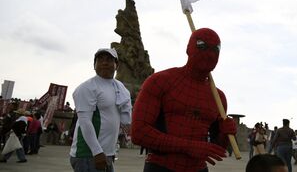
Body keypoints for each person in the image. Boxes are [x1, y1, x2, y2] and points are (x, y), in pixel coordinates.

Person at [131, 28, 237, 172]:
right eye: (202, 46)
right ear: (188, 48)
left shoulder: (219, 97)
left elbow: (216, 149)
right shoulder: (160, 81)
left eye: (216, 49)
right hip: (161, 166)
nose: (210, 54)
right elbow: (139, 133)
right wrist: (190, 146)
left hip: (199, 168)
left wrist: (225, 134)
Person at [69, 48, 132, 172]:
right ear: (94, 65)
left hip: (107, 153)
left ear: (116, 65)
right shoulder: (87, 87)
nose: (104, 63)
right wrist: (97, 152)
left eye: (109, 60)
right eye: (100, 60)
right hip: (88, 154)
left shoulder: (120, 88)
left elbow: (125, 118)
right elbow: (84, 122)